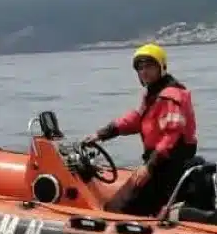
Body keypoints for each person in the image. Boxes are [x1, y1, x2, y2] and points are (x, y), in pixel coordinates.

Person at [81, 42, 200, 215]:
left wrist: (149, 167)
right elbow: (137, 120)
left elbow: (171, 136)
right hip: (160, 164)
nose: (144, 71)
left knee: (116, 208)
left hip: (166, 166)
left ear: (161, 67)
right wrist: (101, 134)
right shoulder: (154, 94)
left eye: (149, 66)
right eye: (140, 68)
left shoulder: (170, 97)